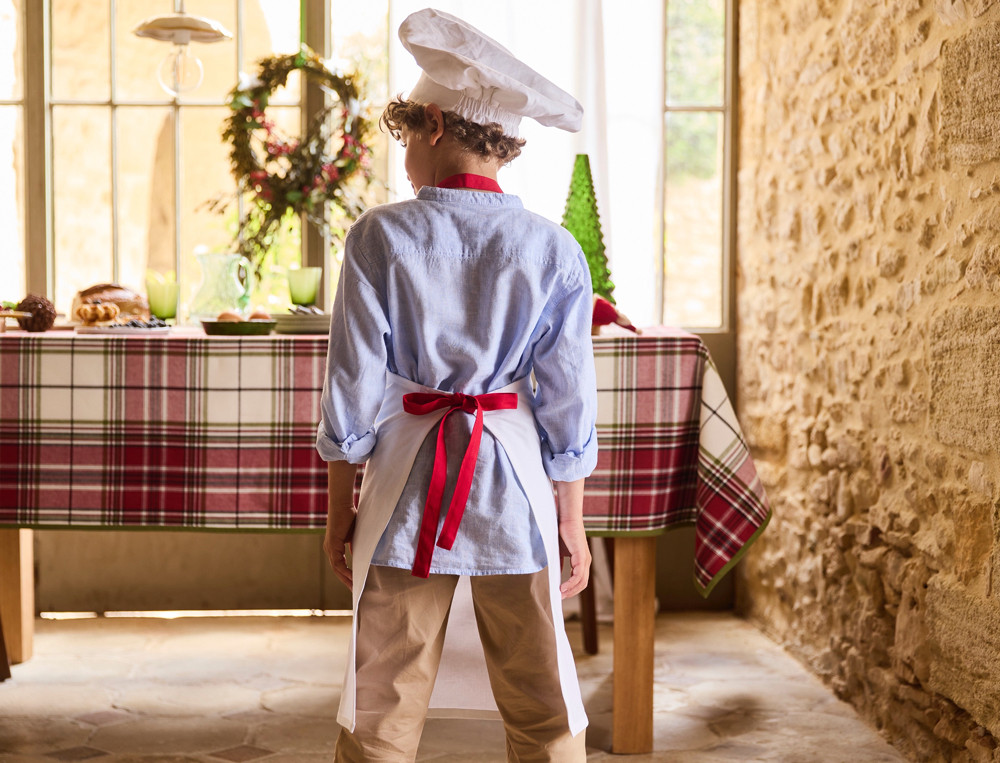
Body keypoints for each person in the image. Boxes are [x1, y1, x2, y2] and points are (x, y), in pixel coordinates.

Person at [316, 8, 598, 761]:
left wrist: (341, 510)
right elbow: (567, 402)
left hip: (407, 488)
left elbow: (352, 386)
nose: (403, 150)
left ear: (434, 124)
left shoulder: (378, 237)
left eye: (405, 132)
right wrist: (569, 521)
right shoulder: (554, 248)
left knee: (386, 696)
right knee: (542, 694)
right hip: (515, 488)